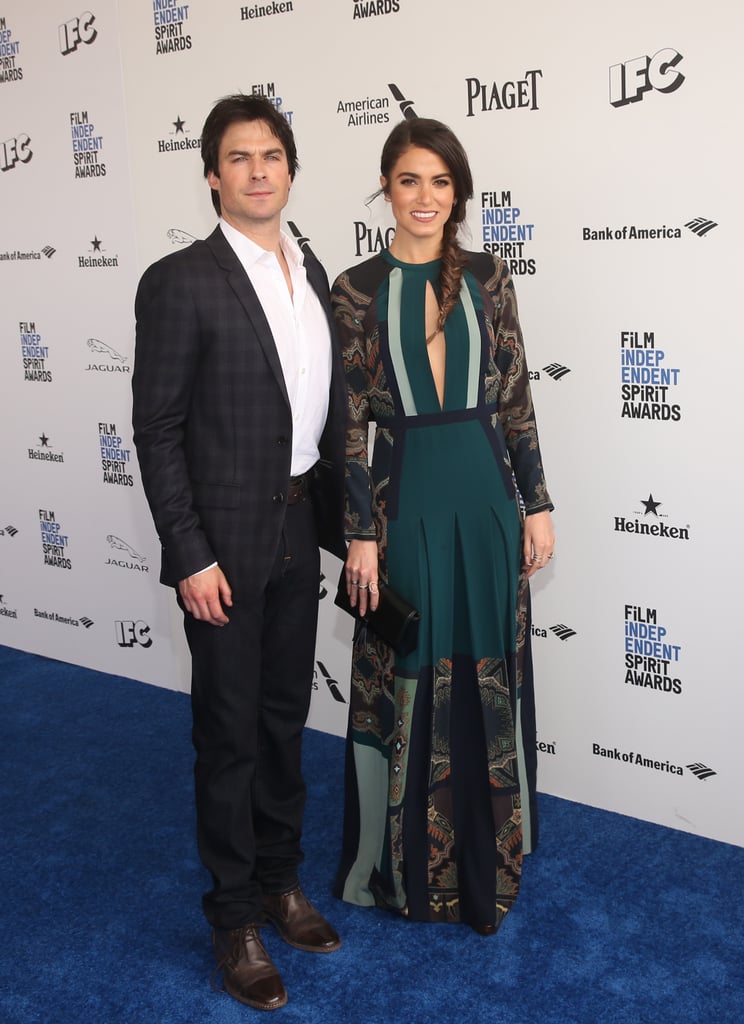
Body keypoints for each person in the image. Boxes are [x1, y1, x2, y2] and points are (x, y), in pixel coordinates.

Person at [132, 93, 346, 1012]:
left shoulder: (316, 268)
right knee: (226, 740)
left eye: (272, 155)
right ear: (213, 174)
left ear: (291, 169)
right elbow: (158, 429)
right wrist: (189, 553)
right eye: (238, 157)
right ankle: (234, 921)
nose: (258, 171)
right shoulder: (179, 279)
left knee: (282, 723)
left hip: (300, 530)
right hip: (221, 548)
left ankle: (279, 880)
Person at [332, 118, 555, 935]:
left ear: (458, 193)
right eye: (408, 180)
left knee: (485, 668)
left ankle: (486, 860)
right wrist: (359, 530)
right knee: (410, 671)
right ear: (386, 187)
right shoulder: (354, 289)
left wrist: (537, 503)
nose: (425, 197)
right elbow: (346, 423)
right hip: (405, 505)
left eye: (440, 181)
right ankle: (404, 868)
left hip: (487, 501)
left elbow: (519, 397)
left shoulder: (492, 278)